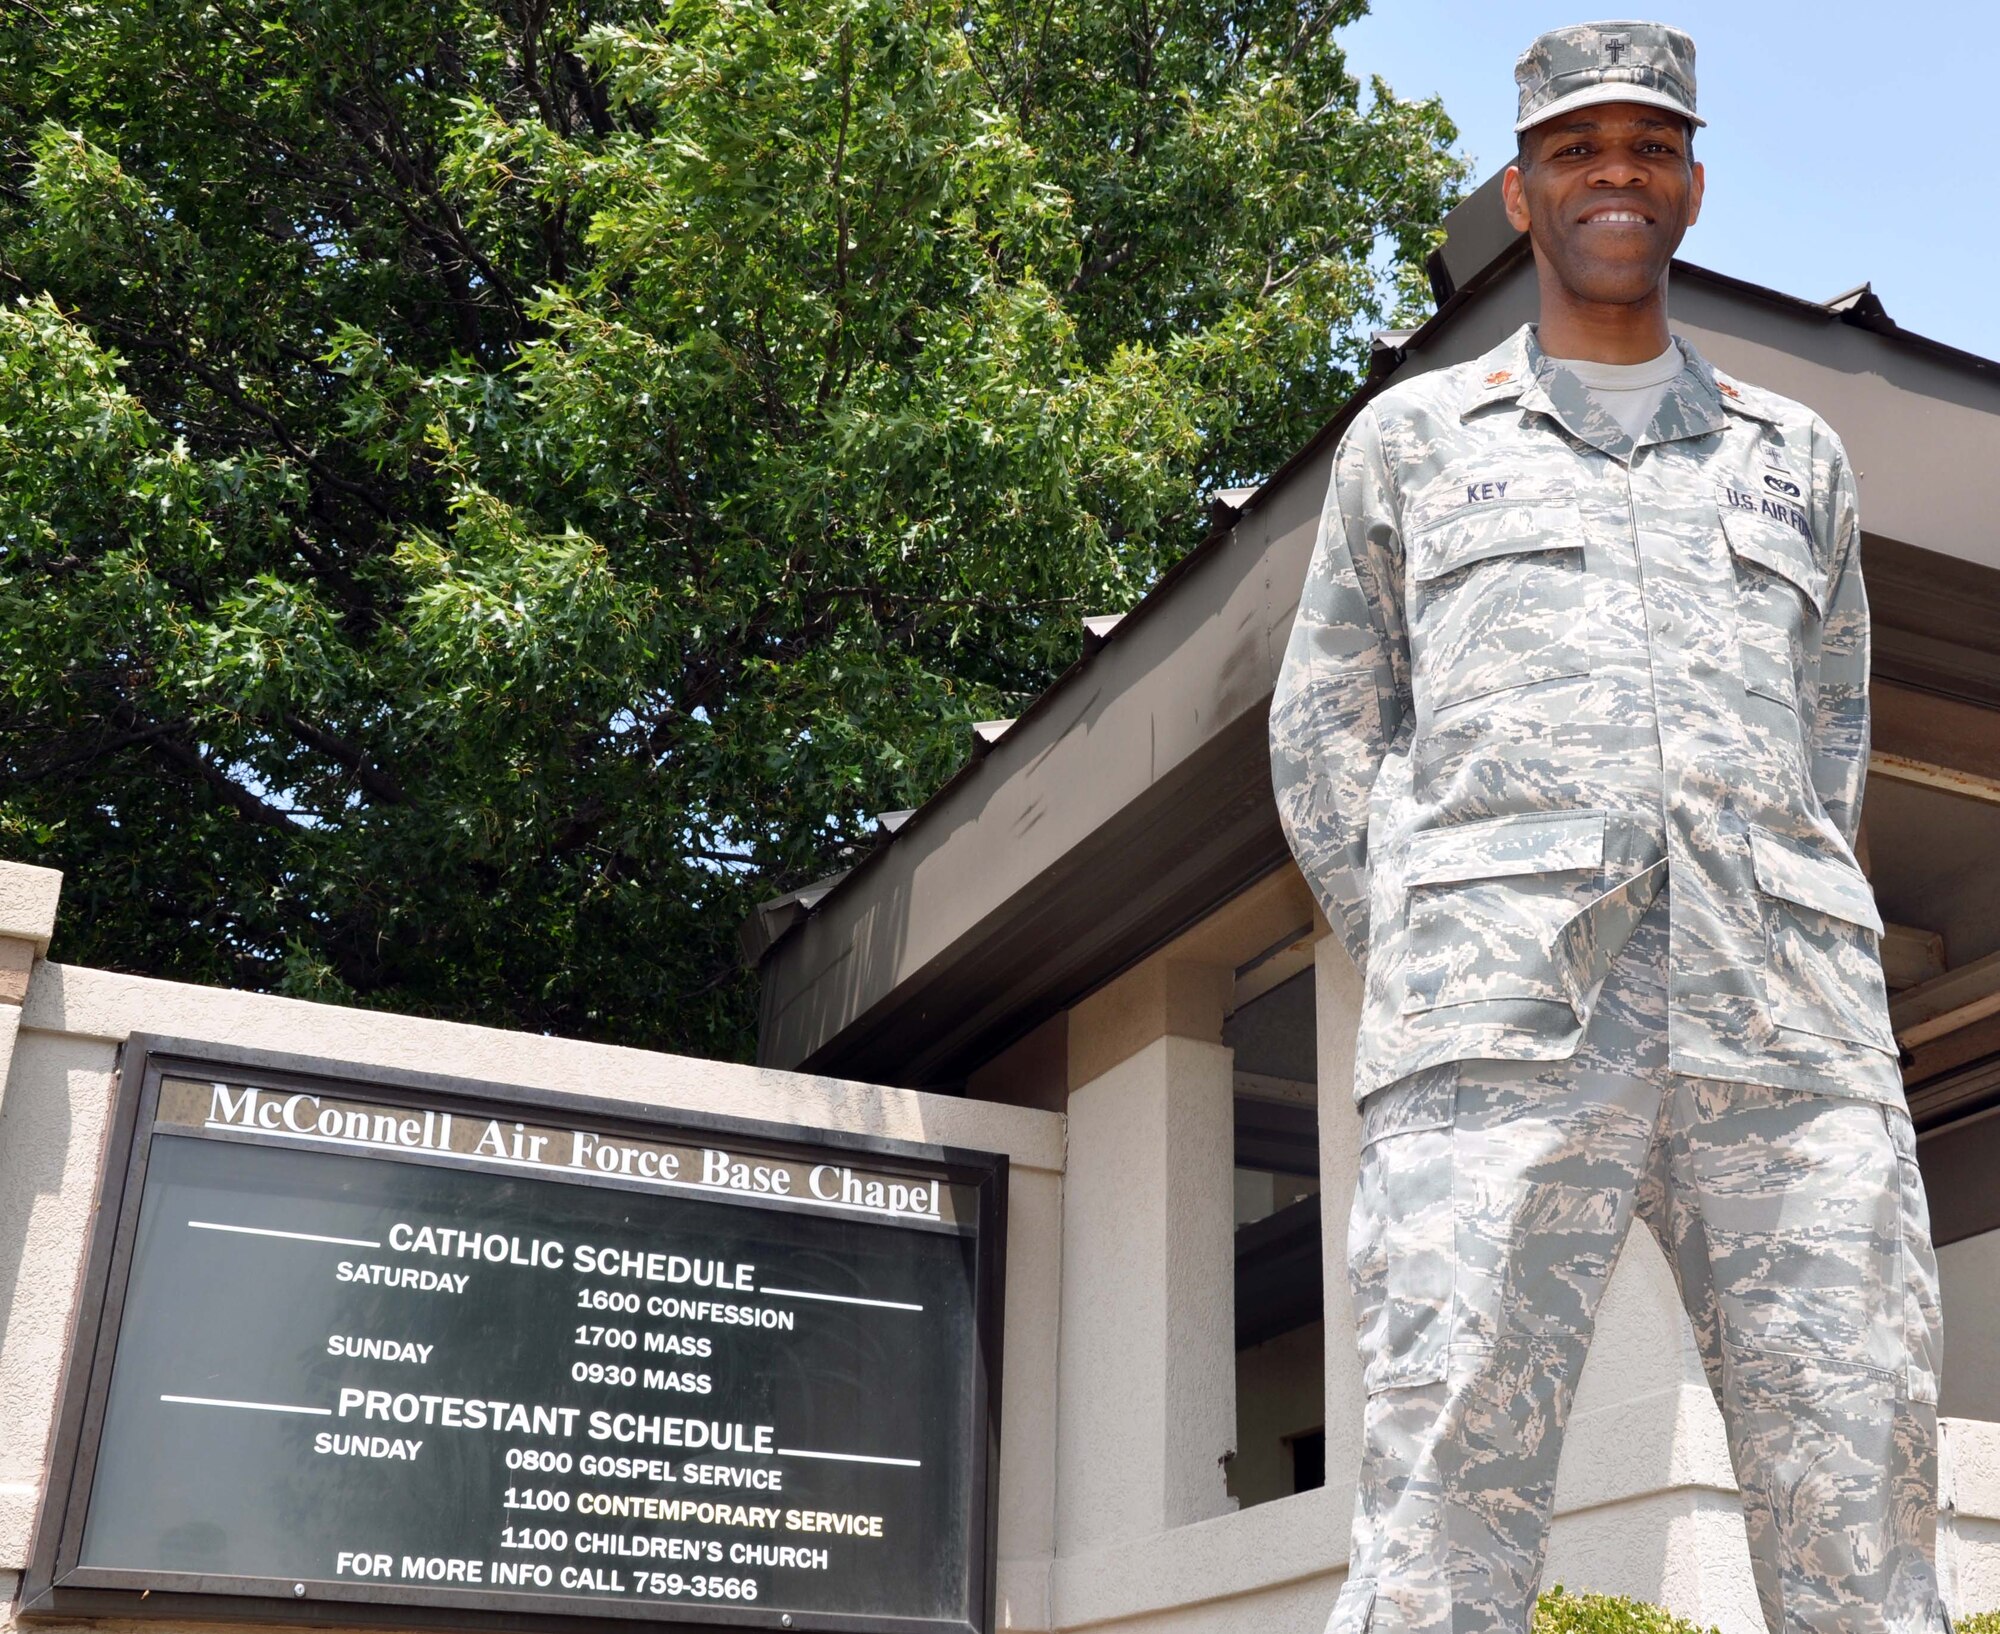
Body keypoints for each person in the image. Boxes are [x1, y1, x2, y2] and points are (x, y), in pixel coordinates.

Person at [1269, 20, 1950, 1633]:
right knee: (1443, 1512)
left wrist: (1763, 905)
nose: (1615, 176)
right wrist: (1450, 939)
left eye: (1648, 147)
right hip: (1496, 1052)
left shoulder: (1800, 460)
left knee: (1861, 1501)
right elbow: (1325, 737)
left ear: (1694, 187)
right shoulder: (1417, 445)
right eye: (1579, 150)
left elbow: (1829, 737)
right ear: (1522, 193)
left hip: (1789, 1051)